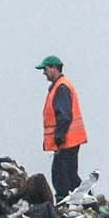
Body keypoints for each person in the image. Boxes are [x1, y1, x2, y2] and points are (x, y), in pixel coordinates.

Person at [36, 55, 87, 199]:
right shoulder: (59, 86)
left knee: (61, 176)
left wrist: (59, 137)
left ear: (54, 68)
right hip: (69, 139)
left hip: (66, 140)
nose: (44, 73)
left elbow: (64, 115)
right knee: (70, 176)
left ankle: (64, 203)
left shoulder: (61, 87)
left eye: (45, 69)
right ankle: (89, 203)